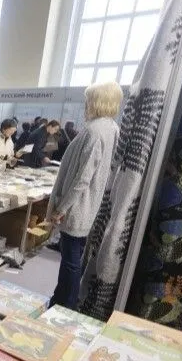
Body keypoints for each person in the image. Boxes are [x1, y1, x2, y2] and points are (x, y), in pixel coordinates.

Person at [47, 82, 123, 310]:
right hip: (89, 204)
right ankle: (59, 299)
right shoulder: (111, 128)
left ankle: (65, 304)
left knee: (70, 260)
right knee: (73, 257)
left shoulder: (94, 131)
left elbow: (82, 177)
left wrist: (62, 208)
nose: (85, 104)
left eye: (89, 99)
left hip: (78, 207)